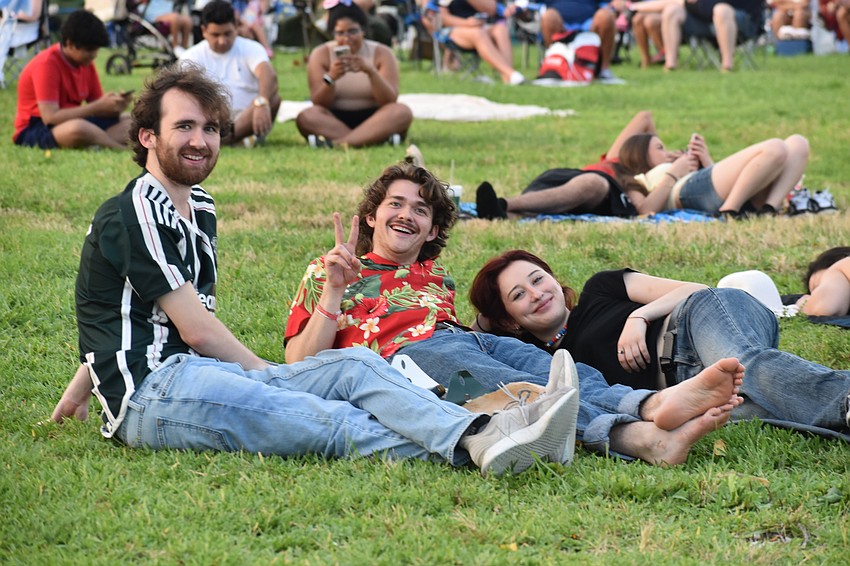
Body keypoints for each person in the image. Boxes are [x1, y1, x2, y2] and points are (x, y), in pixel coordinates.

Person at [49, 64, 584, 479]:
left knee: (353, 365)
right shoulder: (134, 210)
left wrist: (82, 387)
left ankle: (494, 432)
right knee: (330, 423)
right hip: (155, 393)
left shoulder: (199, 207)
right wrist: (265, 372)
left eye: (210, 128)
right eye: (183, 126)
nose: (200, 140)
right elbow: (195, 329)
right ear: (146, 136)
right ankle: (491, 444)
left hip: (196, 374)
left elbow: (126, 305)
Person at [285, 162, 747, 466]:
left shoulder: (436, 275)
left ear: (431, 229)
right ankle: (639, 437)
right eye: (396, 204)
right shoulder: (333, 270)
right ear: (371, 216)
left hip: (467, 340)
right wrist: (332, 293)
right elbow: (297, 363)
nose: (407, 215)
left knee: (562, 371)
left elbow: (489, 319)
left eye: (421, 210)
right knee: (524, 393)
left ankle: (649, 405)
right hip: (409, 355)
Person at [469, 249, 850, 440]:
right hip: (690, 388)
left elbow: (699, 290)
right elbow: (477, 338)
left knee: (745, 363)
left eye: (538, 279)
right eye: (518, 295)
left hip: (704, 319)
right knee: (762, 413)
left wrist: (640, 316)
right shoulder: (546, 363)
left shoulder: (601, 289)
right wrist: (487, 319)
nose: (536, 294)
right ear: (508, 318)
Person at [475, 110, 655, 220]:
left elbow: (644, 209)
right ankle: (502, 209)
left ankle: (501, 207)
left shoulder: (639, 184)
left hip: (592, 193)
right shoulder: (617, 159)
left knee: (594, 183)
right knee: (590, 183)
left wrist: (671, 167)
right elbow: (644, 117)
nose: (669, 152)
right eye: (660, 147)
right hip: (563, 180)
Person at [613, 130, 810, 218]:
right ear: (639, 154)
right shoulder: (635, 180)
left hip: (716, 192)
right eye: (660, 148)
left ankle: (769, 209)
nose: (667, 152)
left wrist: (705, 160)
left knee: (798, 143)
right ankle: (729, 212)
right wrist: (674, 172)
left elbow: (720, 186)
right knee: (775, 148)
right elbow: (645, 210)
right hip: (688, 192)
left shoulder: (675, 165)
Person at [295, 1, 413, 148]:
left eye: (353, 31)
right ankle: (372, 138)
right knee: (307, 116)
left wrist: (371, 72)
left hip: (374, 116)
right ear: (332, 33)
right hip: (334, 118)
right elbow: (319, 102)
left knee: (401, 111)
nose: (347, 38)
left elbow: (389, 100)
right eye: (340, 33)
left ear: (363, 30)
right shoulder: (321, 54)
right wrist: (331, 78)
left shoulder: (381, 53)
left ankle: (339, 143)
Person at [12, 9, 132, 150]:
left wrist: (115, 106)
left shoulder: (86, 63)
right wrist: (97, 106)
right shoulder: (46, 64)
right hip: (36, 127)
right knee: (78, 129)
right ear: (69, 44)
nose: (94, 55)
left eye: (96, 50)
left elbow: (98, 109)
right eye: (89, 49)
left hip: (75, 121)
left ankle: (93, 141)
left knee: (132, 120)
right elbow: (50, 118)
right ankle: (114, 146)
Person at [180, 0, 281, 146]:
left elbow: (267, 73)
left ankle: (228, 139)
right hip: (210, 120)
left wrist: (262, 102)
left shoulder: (251, 48)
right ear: (204, 31)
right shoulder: (191, 57)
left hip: (248, 116)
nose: (222, 41)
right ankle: (229, 139)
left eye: (228, 34)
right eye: (215, 35)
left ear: (236, 27)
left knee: (273, 97)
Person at [423, 0, 525, 85]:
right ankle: (511, 74)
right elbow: (443, 18)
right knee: (477, 33)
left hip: (480, 27)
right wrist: (467, 23)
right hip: (454, 30)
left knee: (500, 29)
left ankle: (507, 78)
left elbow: (491, 10)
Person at [661, 0, 764, 71]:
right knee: (672, 10)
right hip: (706, 19)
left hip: (744, 21)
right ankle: (670, 64)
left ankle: (727, 65)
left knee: (721, 10)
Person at [539, 0, 621, 80]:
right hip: (559, 22)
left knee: (606, 15)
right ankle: (553, 65)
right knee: (548, 16)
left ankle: (603, 70)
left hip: (589, 23)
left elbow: (608, 3)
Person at [798, 246, 850, 316]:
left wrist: (803, 304)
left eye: (819, 286)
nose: (815, 294)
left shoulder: (837, 269)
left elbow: (819, 307)